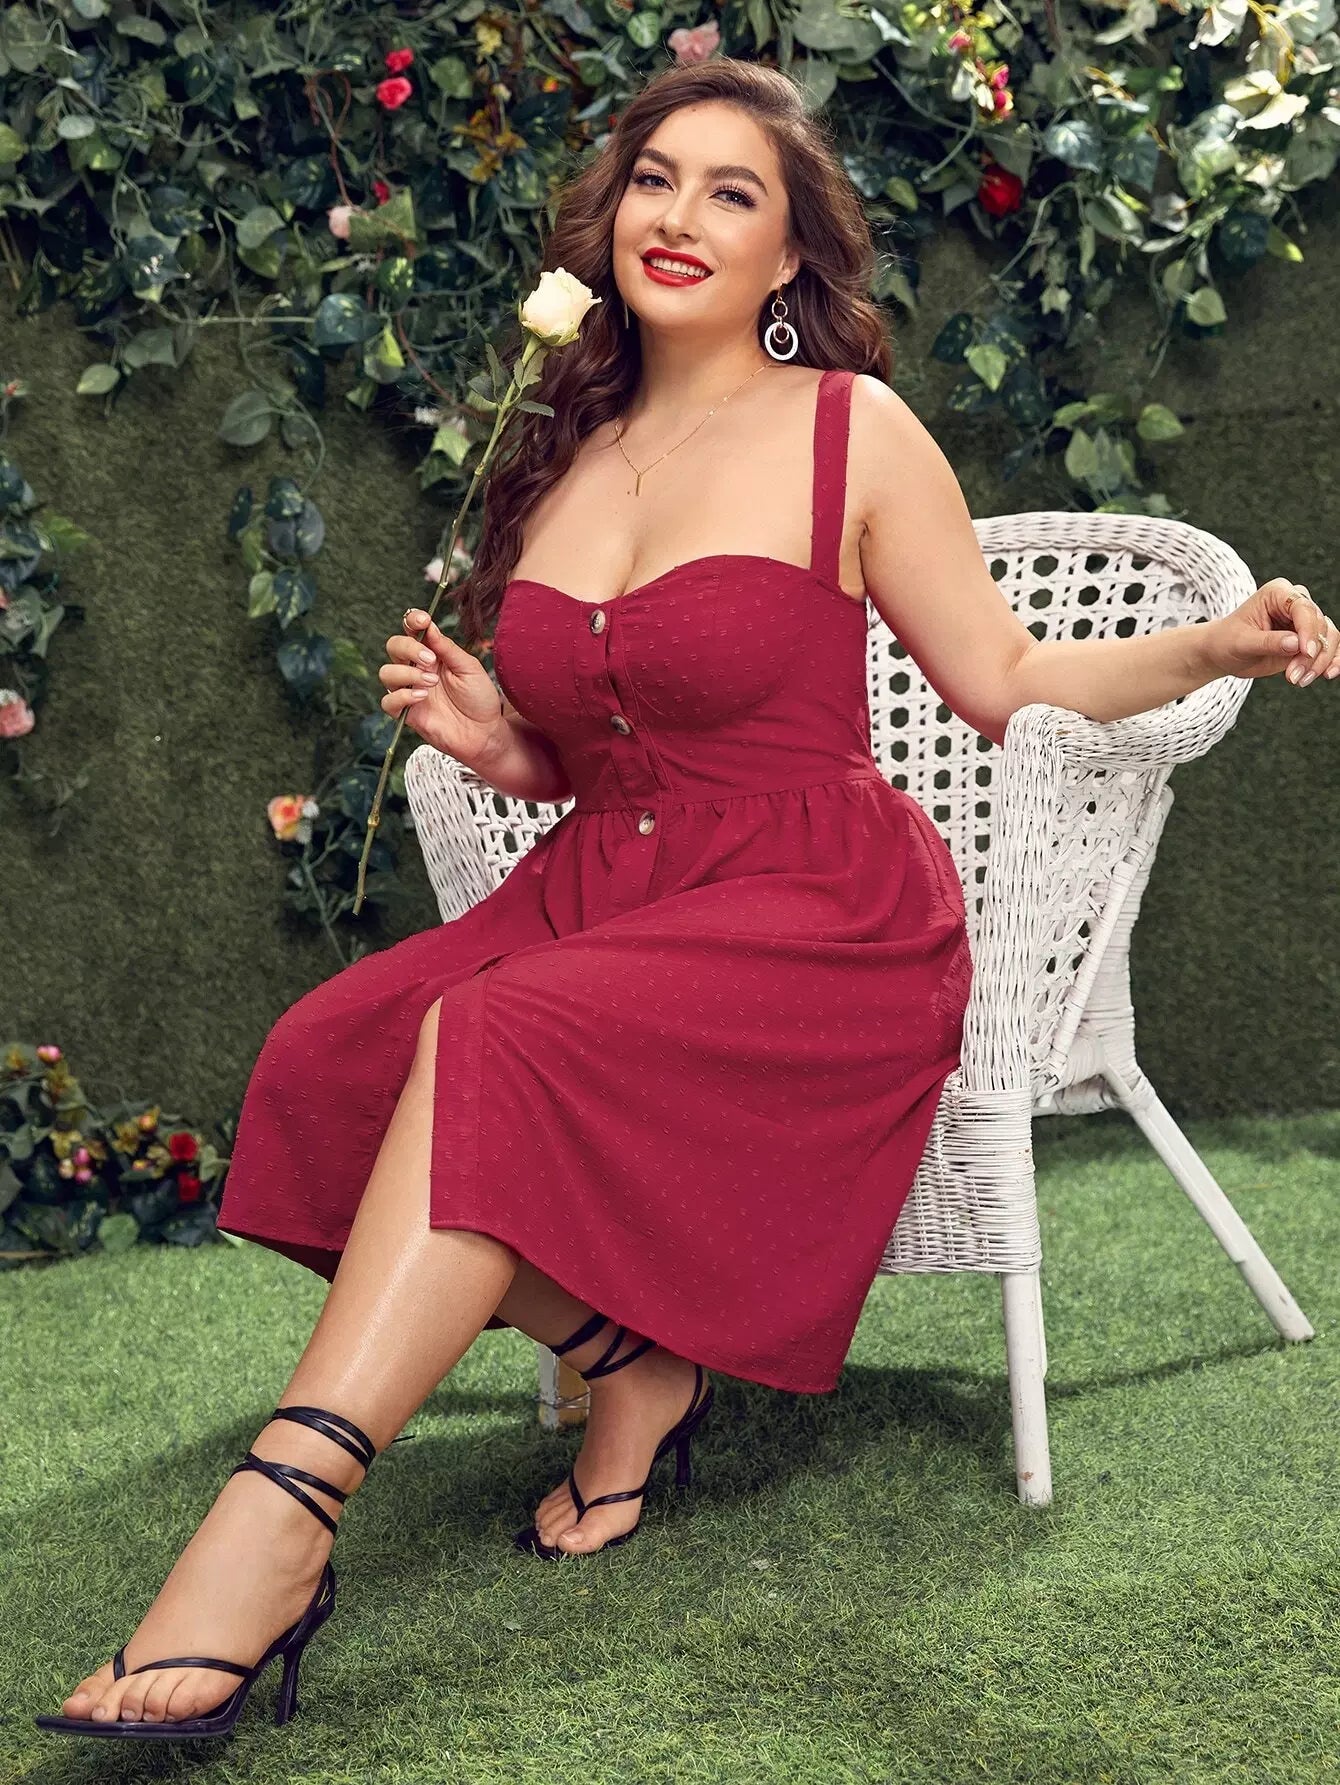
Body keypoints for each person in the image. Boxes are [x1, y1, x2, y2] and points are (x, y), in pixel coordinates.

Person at [40, 56, 974, 1739]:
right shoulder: (570, 448)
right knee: (330, 1056)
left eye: (733, 193)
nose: (678, 216)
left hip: (816, 902)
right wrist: (505, 742)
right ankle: (633, 1358)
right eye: (654, 179)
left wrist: (1213, 643)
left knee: (488, 1031)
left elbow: (1008, 677)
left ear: (790, 256)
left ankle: (279, 1516)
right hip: (607, 884)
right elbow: (602, 746)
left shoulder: (853, 427)